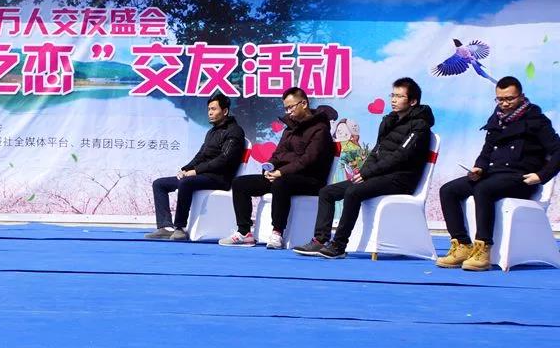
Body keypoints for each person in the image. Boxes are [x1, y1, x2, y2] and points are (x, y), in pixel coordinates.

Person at [293, 77, 434, 259]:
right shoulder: (389, 120)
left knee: (353, 192)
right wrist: (363, 172)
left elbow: (400, 156)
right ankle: (320, 241)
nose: (393, 100)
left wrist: (368, 173)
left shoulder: (420, 125)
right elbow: (377, 151)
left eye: (399, 96)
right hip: (380, 176)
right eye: (392, 95)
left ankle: (338, 245)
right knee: (327, 192)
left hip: (401, 179)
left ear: (413, 101)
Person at [436, 76, 560, 271]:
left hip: (521, 179)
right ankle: (462, 245)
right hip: (494, 175)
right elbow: (487, 151)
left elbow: (558, 151)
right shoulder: (497, 119)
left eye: (509, 98)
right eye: (500, 99)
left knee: (483, 189)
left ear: (521, 96)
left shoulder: (536, 120)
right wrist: (479, 168)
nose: (504, 103)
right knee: (448, 190)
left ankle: (483, 248)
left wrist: (541, 176)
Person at [220, 88, 336, 249]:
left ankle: (277, 232)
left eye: (291, 107)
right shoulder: (290, 128)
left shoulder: (320, 129)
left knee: (281, 183)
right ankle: (244, 233)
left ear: (303, 103)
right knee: (240, 184)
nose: (288, 112)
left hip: (310, 179)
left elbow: (308, 160)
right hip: (283, 176)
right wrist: (269, 167)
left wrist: (281, 172)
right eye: (286, 108)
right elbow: (278, 153)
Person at [145, 93, 246, 241]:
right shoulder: (212, 132)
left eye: (214, 109)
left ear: (225, 111)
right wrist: (185, 169)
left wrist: (196, 171)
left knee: (186, 182)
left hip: (220, 178)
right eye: (209, 109)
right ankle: (165, 227)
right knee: (159, 184)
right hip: (203, 176)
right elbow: (200, 156)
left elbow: (224, 160)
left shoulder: (235, 131)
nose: (210, 112)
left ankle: (180, 227)